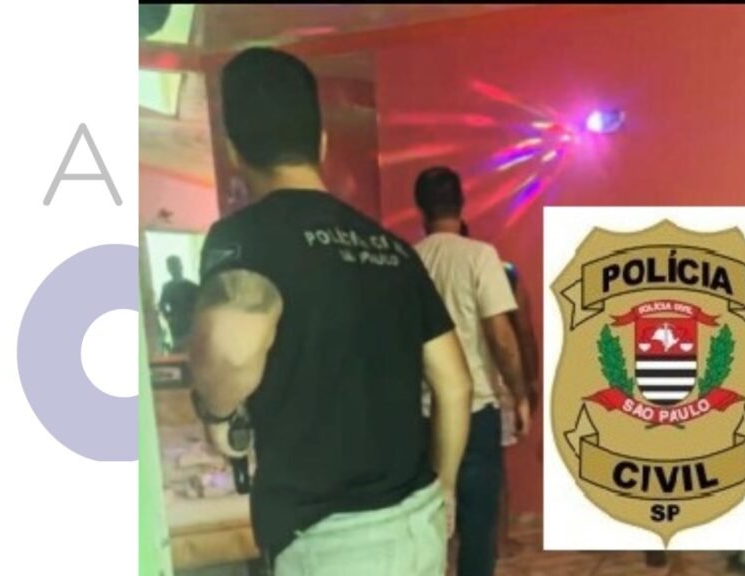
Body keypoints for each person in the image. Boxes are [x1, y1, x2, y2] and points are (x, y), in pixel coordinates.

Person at [188, 48, 473, 576]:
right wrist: (446, 489)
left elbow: (230, 348)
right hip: (418, 522)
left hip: (331, 540)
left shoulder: (246, 237)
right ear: (321, 143)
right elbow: (454, 385)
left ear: (232, 150)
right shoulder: (393, 249)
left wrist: (219, 414)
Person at [414, 167, 531, 576]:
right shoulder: (480, 256)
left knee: (427, 523)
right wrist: (520, 396)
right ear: (461, 204)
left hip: (424, 413)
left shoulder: (409, 260)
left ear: (421, 210)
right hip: (476, 411)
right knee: (479, 529)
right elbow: (501, 336)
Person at [459, 222, 540, 558]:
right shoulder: (502, 272)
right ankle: (500, 539)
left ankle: (461, 540)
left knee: (450, 466)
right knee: (492, 465)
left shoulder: (425, 265)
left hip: (443, 384)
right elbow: (521, 331)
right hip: (494, 381)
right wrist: (530, 381)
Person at [158, 255, 200, 352]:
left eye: (176, 265)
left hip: (191, 324)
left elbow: (201, 304)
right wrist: (169, 318)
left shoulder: (192, 287)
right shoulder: (168, 287)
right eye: (172, 267)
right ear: (169, 270)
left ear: (181, 266)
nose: (175, 269)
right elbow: (162, 305)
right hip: (177, 326)